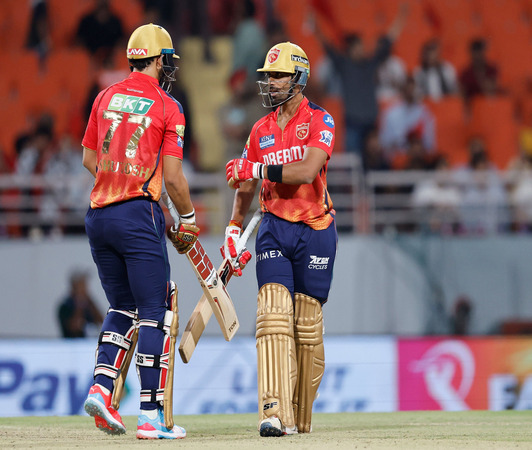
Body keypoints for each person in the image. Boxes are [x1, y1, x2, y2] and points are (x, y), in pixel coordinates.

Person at [80, 24, 198, 439]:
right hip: (136, 216)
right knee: (155, 312)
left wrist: (122, 184)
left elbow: (90, 159)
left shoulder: (105, 96)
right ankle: (150, 416)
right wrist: (185, 218)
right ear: (159, 58)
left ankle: (101, 388)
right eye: (167, 59)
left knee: (121, 307)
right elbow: (175, 178)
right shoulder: (168, 106)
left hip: (99, 214)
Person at [225, 42, 337, 437]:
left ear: (299, 78)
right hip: (273, 228)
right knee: (273, 318)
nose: (270, 83)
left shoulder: (322, 120)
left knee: (306, 329)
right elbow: (245, 184)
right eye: (267, 76)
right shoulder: (259, 130)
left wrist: (254, 165)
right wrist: (234, 229)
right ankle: (273, 413)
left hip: (316, 230)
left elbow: (307, 171)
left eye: (277, 75)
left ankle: (299, 418)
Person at [314, 2, 408, 157]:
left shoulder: (369, 63)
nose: (363, 49)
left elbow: (388, 41)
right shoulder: (343, 64)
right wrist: (315, 25)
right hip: (353, 122)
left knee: (374, 159)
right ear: (350, 49)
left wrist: (401, 18)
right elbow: (326, 45)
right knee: (352, 160)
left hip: (371, 122)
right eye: (359, 46)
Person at [75, 0, 125, 66]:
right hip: (89, 58)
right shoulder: (86, 21)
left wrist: (112, 56)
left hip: (110, 59)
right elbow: (78, 41)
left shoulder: (116, 21)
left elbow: (121, 41)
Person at [58, 269, 103, 338]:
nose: (84, 288)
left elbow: (101, 321)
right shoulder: (65, 306)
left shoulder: (88, 304)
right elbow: (74, 328)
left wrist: (90, 300)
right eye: (81, 285)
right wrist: (79, 303)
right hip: (70, 345)